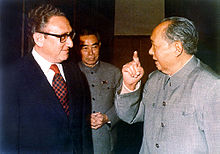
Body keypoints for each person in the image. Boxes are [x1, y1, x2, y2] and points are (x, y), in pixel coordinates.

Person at [115, 16, 220, 153]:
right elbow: (130, 116)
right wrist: (129, 86)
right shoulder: (154, 79)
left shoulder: (211, 87)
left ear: (177, 48)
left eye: (154, 45)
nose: (150, 51)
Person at [0, 4, 93, 153]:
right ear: (39, 39)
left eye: (70, 35)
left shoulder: (75, 73)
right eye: (62, 37)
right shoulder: (10, 79)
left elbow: (83, 131)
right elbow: (7, 143)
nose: (70, 43)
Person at [77, 28, 121, 154]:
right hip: (78, 140)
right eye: (85, 48)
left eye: (94, 47)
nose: (90, 53)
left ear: (100, 46)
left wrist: (107, 117)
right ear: (78, 49)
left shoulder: (114, 72)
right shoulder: (71, 72)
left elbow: (123, 105)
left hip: (105, 141)